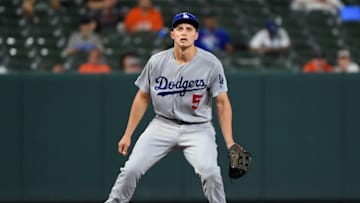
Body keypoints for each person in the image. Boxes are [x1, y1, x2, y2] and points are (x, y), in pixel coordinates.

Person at [105, 12, 237, 203]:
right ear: (172, 34)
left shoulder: (211, 63)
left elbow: (222, 102)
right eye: (180, 28)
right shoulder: (156, 61)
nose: (184, 32)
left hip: (198, 127)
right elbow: (142, 97)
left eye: (189, 29)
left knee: (210, 172)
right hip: (162, 125)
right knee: (131, 169)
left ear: (196, 35)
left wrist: (230, 142)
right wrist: (128, 134)